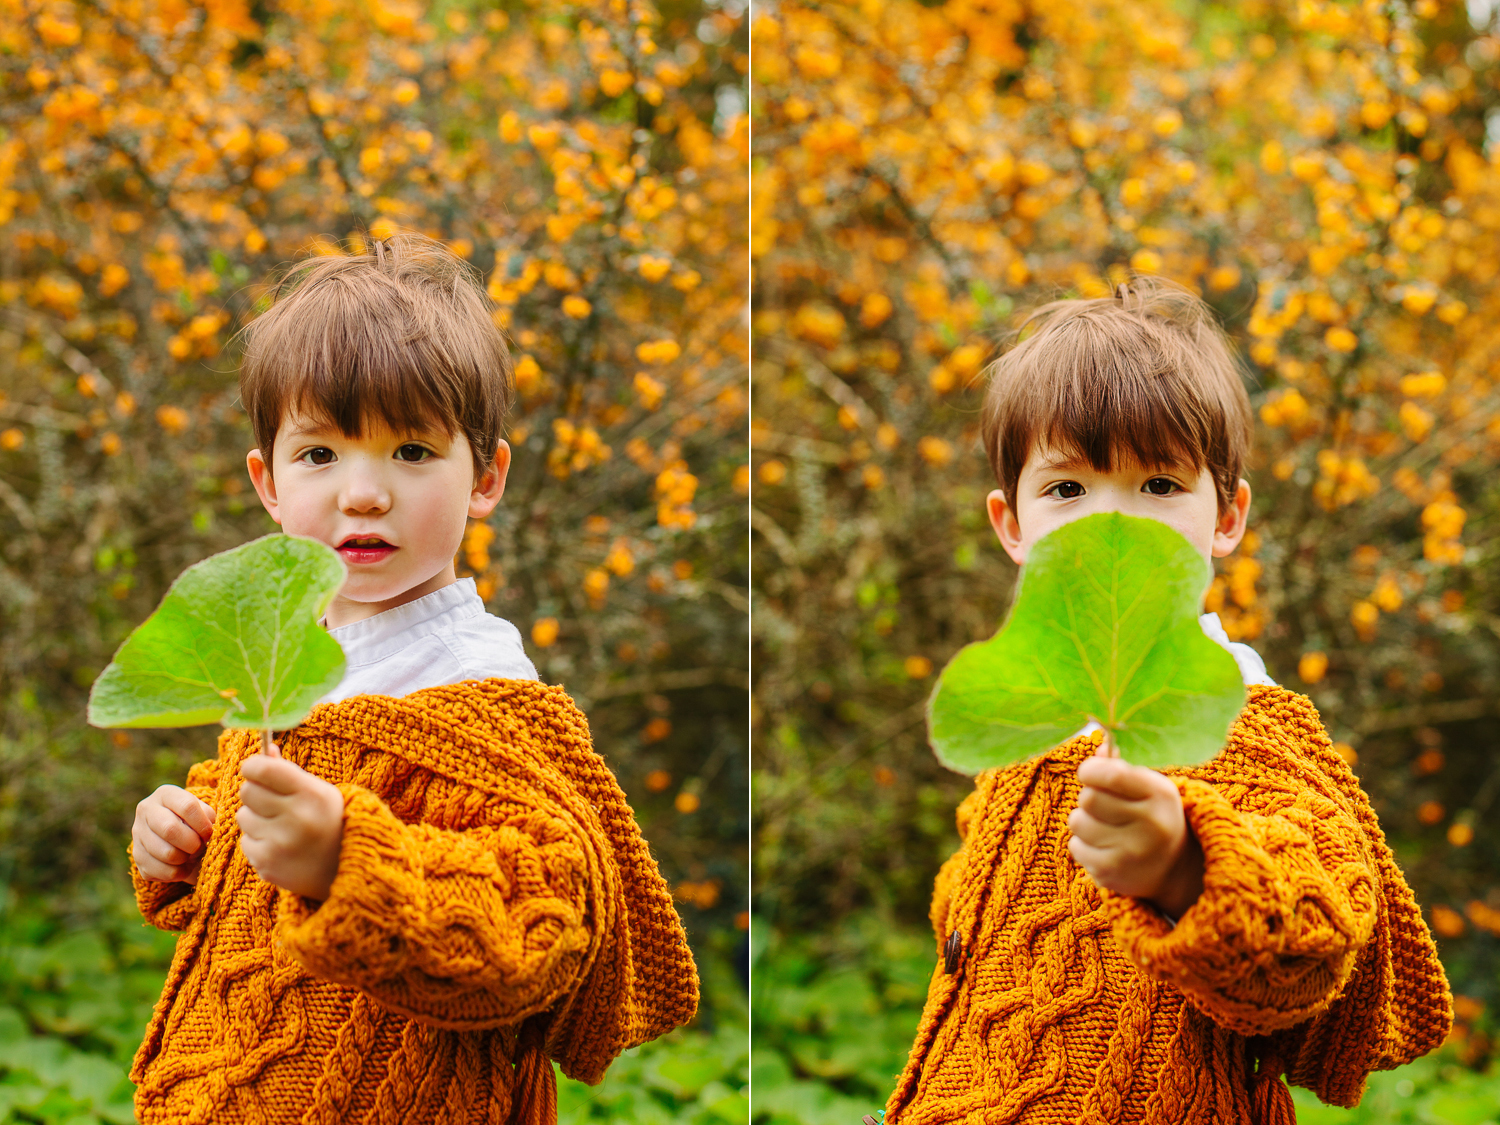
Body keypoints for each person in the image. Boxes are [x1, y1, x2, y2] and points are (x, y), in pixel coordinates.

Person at [126, 231, 698, 1125]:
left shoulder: (482, 694)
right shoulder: (286, 658)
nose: (364, 493)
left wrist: (345, 858)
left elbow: (538, 925)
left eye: (412, 452)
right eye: (320, 455)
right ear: (268, 482)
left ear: (487, 476)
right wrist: (183, 845)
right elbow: (253, 872)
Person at [882, 278, 1451, 1125]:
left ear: (1227, 514)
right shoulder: (1033, 719)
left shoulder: (1246, 718)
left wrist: (1185, 867)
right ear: (1013, 525)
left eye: (1158, 485)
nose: (1115, 523)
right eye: (1068, 490)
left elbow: (1319, 927)